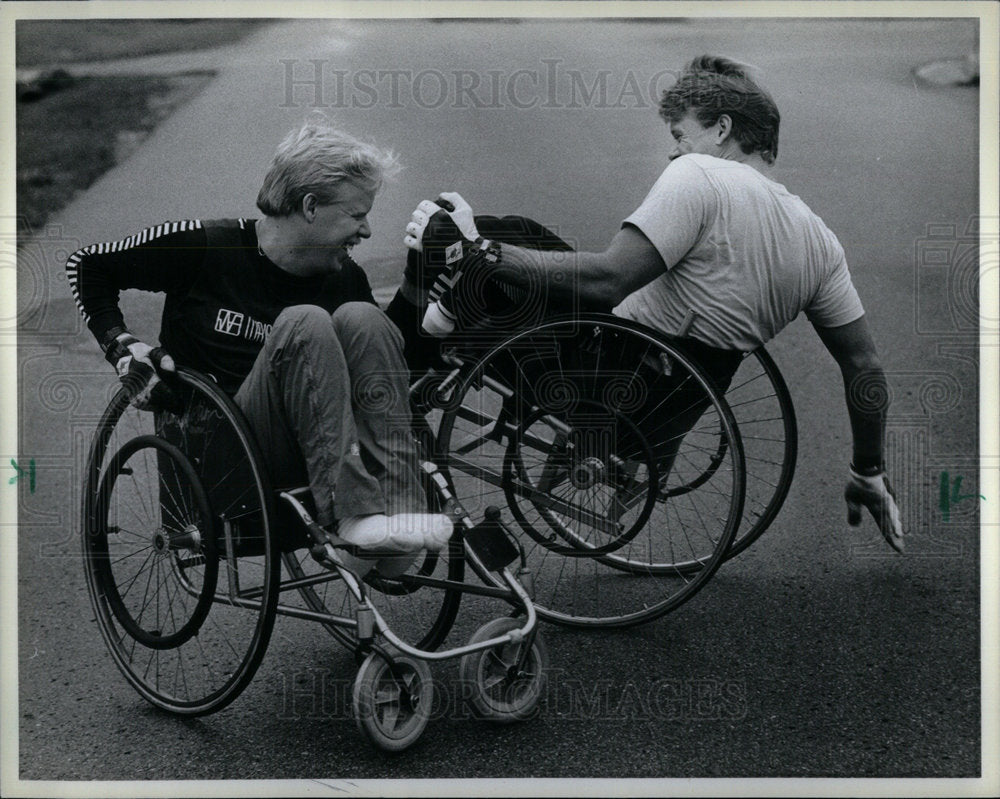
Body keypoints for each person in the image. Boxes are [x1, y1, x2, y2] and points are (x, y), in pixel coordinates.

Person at [392, 55, 905, 553]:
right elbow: (863, 365)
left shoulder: (701, 175)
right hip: (657, 409)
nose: (674, 153)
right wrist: (867, 468)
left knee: (448, 232)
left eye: (680, 136)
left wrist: (485, 255)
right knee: (519, 233)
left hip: (592, 379)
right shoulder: (820, 242)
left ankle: (395, 379)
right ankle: (432, 331)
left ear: (721, 129)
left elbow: (610, 282)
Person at [66, 118, 452, 570]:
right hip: (221, 455)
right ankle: (355, 517)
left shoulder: (343, 277)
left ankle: (400, 506)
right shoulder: (206, 246)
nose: (366, 231)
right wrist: (122, 346)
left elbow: (387, 373)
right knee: (304, 323)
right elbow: (87, 265)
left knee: (363, 318)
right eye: (357, 214)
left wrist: (418, 283)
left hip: (316, 448)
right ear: (310, 206)